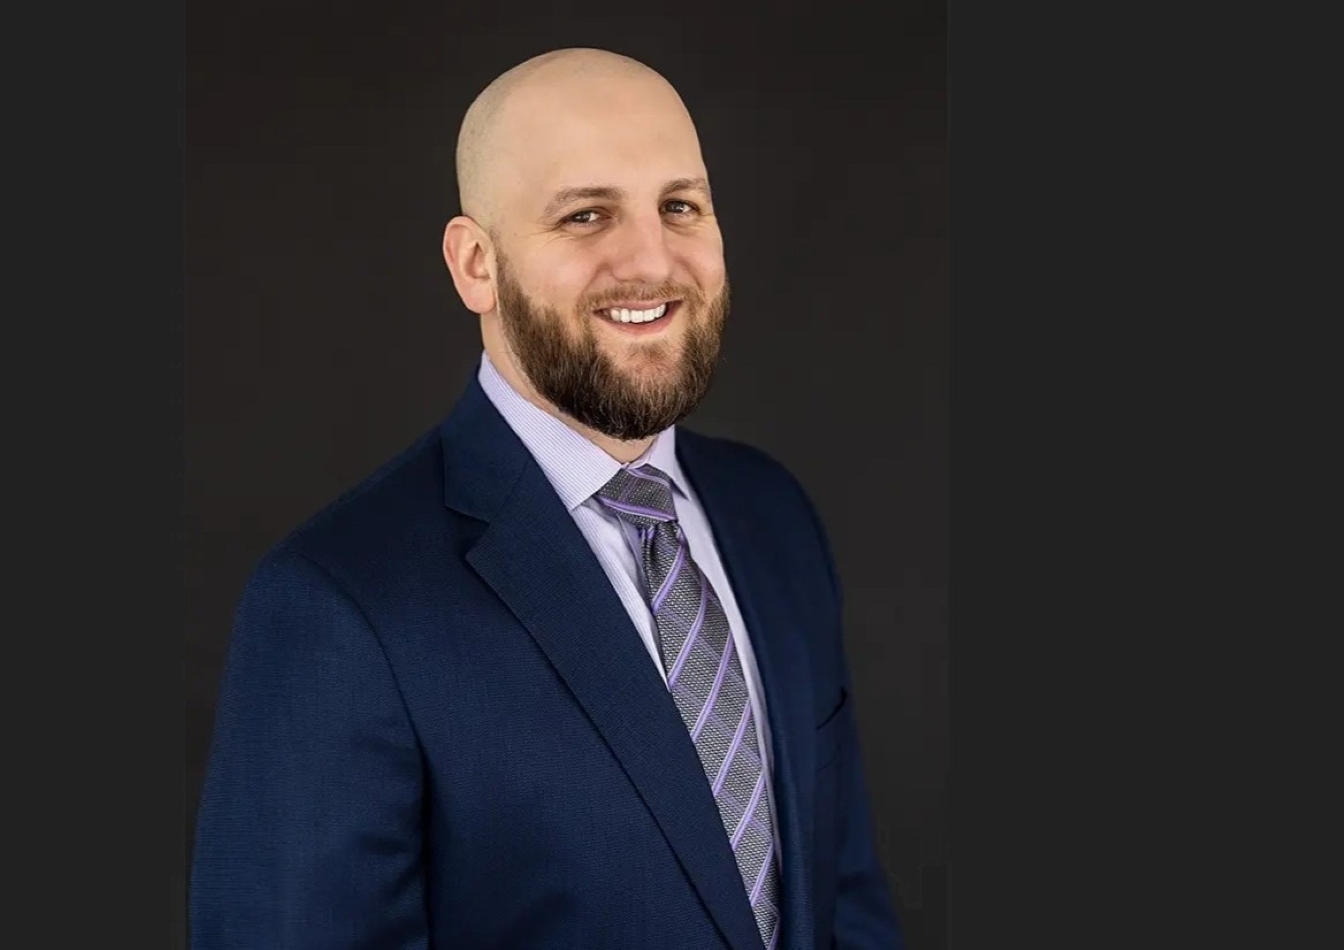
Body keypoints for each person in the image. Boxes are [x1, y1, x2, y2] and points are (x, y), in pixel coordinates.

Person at [189, 47, 904, 950]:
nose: (651, 259)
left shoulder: (773, 516)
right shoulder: (336, 606)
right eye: (585, 215)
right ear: (476, 265)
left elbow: (844, 903)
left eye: (680, 206)